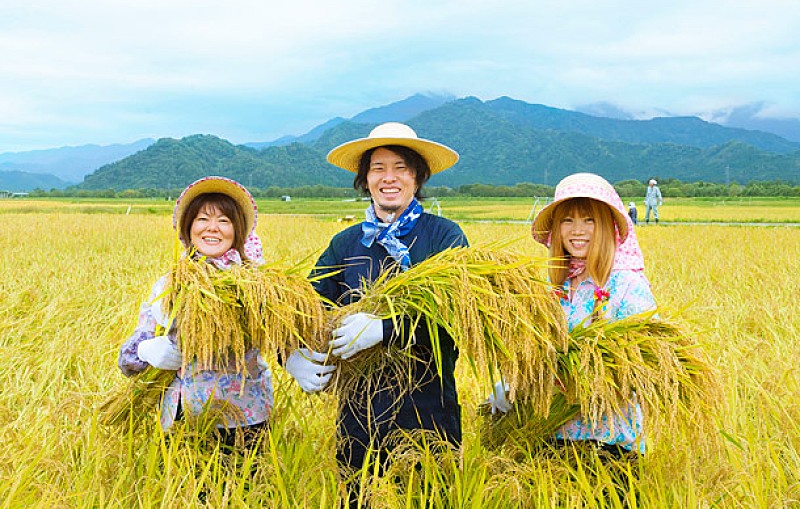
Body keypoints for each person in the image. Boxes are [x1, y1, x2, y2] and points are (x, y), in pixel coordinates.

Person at [284, 122, 467, 499]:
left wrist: (385, 328)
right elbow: (303, 307)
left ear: (417, 177)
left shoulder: (445, 237)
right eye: (378, 168)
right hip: (359, 416)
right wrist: (289, 354)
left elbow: (455, 315)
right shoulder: (346, 244)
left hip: (428, 409)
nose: (389, 178)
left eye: (400, 167)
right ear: (364, 179)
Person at [490, 172, 656, 458]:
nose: (577, 230)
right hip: (550, 437)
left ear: (605, 225)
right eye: (568, 220)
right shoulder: (553, 287)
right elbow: (536, 351)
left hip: (610, 445)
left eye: (588, 220)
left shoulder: (628, 285)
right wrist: (512, 384)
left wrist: (590, 375)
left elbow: (650, 365)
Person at [118, 176, 273, 450]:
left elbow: (285, 338)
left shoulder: (257, 285)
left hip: (245, 417)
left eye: (224, 220)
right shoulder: (167, 285)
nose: (212, 228)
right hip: (182, 415)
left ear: (238, 230)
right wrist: (146, 351)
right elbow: (128, 362)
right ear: (188, 227)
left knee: (247, 491)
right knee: (183, 491)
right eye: (202, 219)